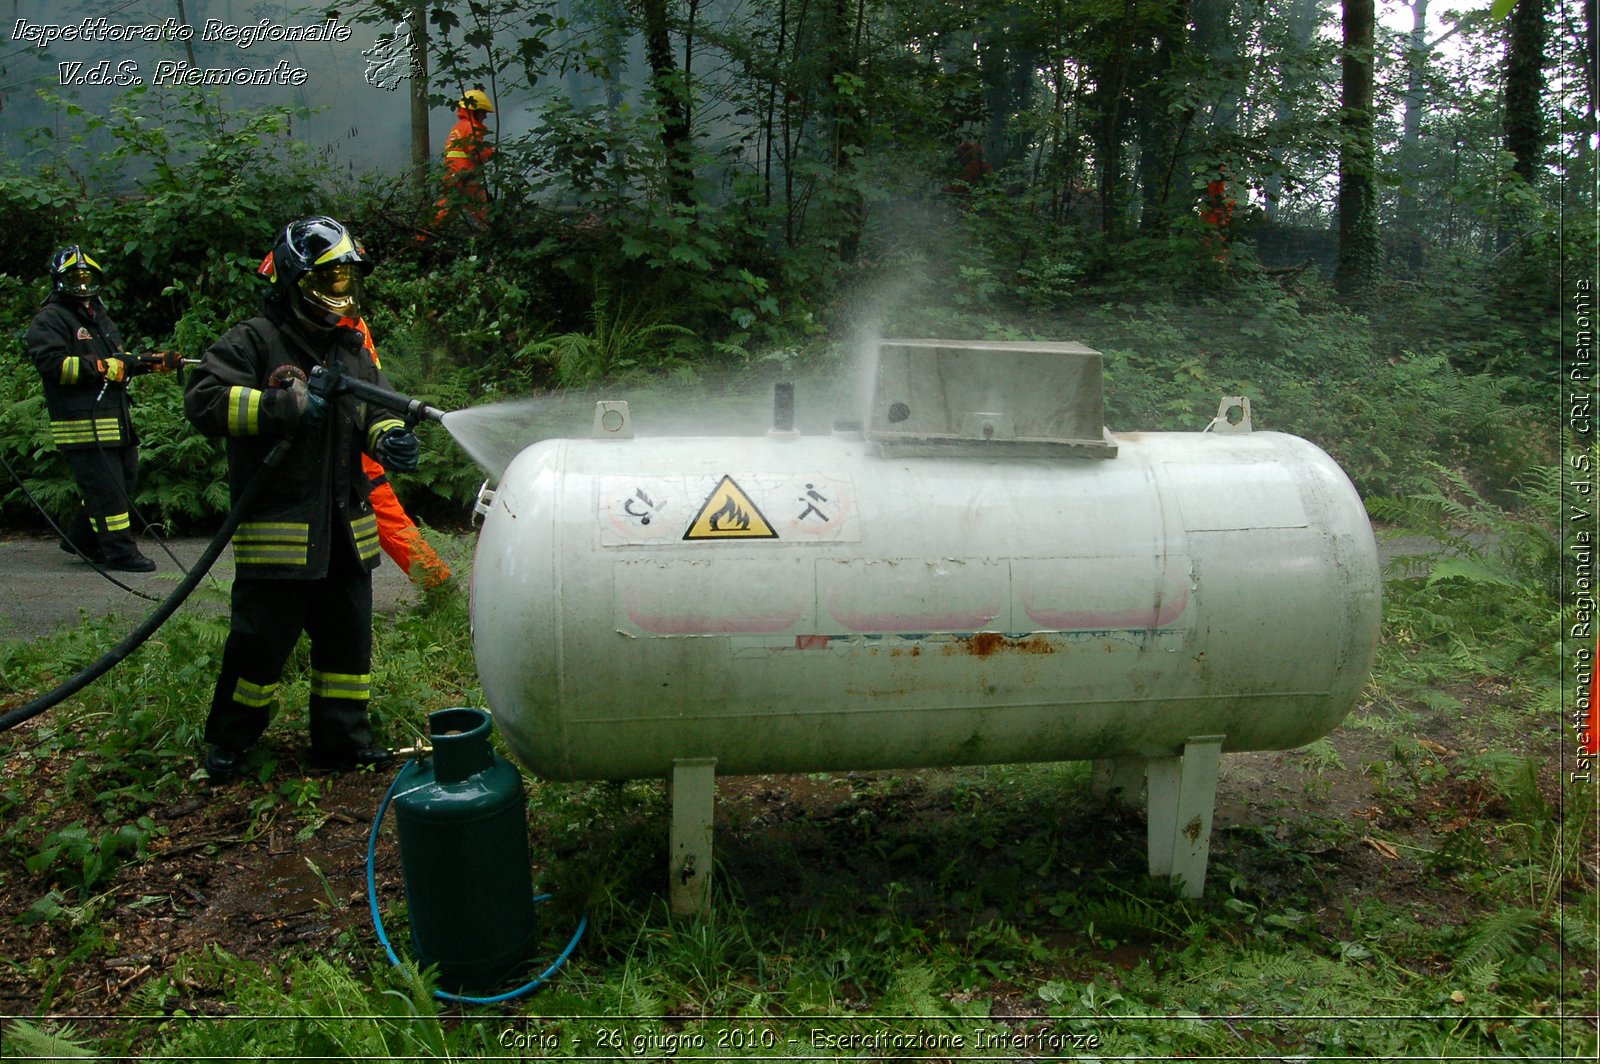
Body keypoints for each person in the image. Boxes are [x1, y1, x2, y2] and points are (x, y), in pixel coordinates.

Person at [185, 216, 423, 782]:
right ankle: (230, 743)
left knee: (348, 650)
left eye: (347, 276)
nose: (342, 287)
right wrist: (278, 408)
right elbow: (203, 399)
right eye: (330, 276)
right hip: (281, 538)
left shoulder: (350, 346)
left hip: (346, 534)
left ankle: (343, 742)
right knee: (258, 650)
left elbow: (374, 407)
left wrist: (387, 436)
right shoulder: (253, 340)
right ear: (296, 280)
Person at [256, 253, 452, 590]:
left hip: (351, 442)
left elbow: (367, 389)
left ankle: (440, 585)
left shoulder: (341, 328)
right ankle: (438, 584)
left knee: (386, 516)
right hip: (336, 440)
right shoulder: (302, 329)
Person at [26, 246, 178, 572]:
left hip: (115, 419)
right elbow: (54, 366)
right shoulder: (50, 319)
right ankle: (121, 553)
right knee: (108, 492)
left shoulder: (98, 315)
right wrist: (100, 367)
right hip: (83, 424)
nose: (82, 285)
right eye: (74, 278)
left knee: (119, 483)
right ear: (59, 281)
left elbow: (118, 363)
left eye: (87, 277)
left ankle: (82, 539)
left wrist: (151, 363)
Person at [431, 87, 496, 231]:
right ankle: (492, 239)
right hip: (466, 175)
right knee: (482, 211)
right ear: (474, 111)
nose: (485, 116)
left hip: (453, 174)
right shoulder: (472, 128)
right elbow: (476, 155)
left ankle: (425, 235)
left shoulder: (459, 127)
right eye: (483, 112)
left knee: (448, 208)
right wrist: (492, 152)